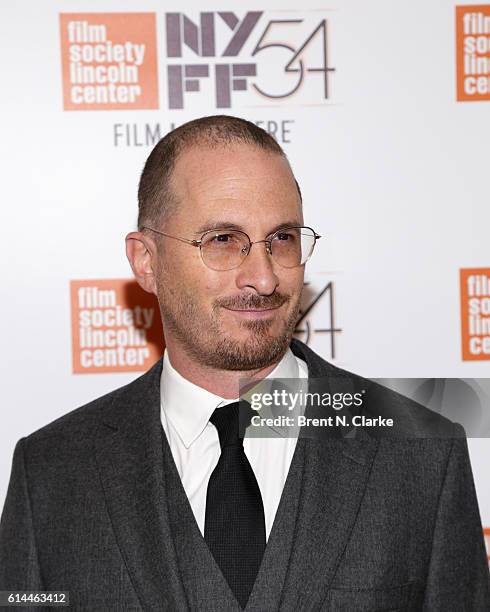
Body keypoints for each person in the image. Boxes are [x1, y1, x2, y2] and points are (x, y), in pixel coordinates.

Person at [0, 115, 488, 611]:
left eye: (282, 238)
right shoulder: (51, 474)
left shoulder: (422, 453)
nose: (264, 277)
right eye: (222, 240)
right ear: (146, 261)